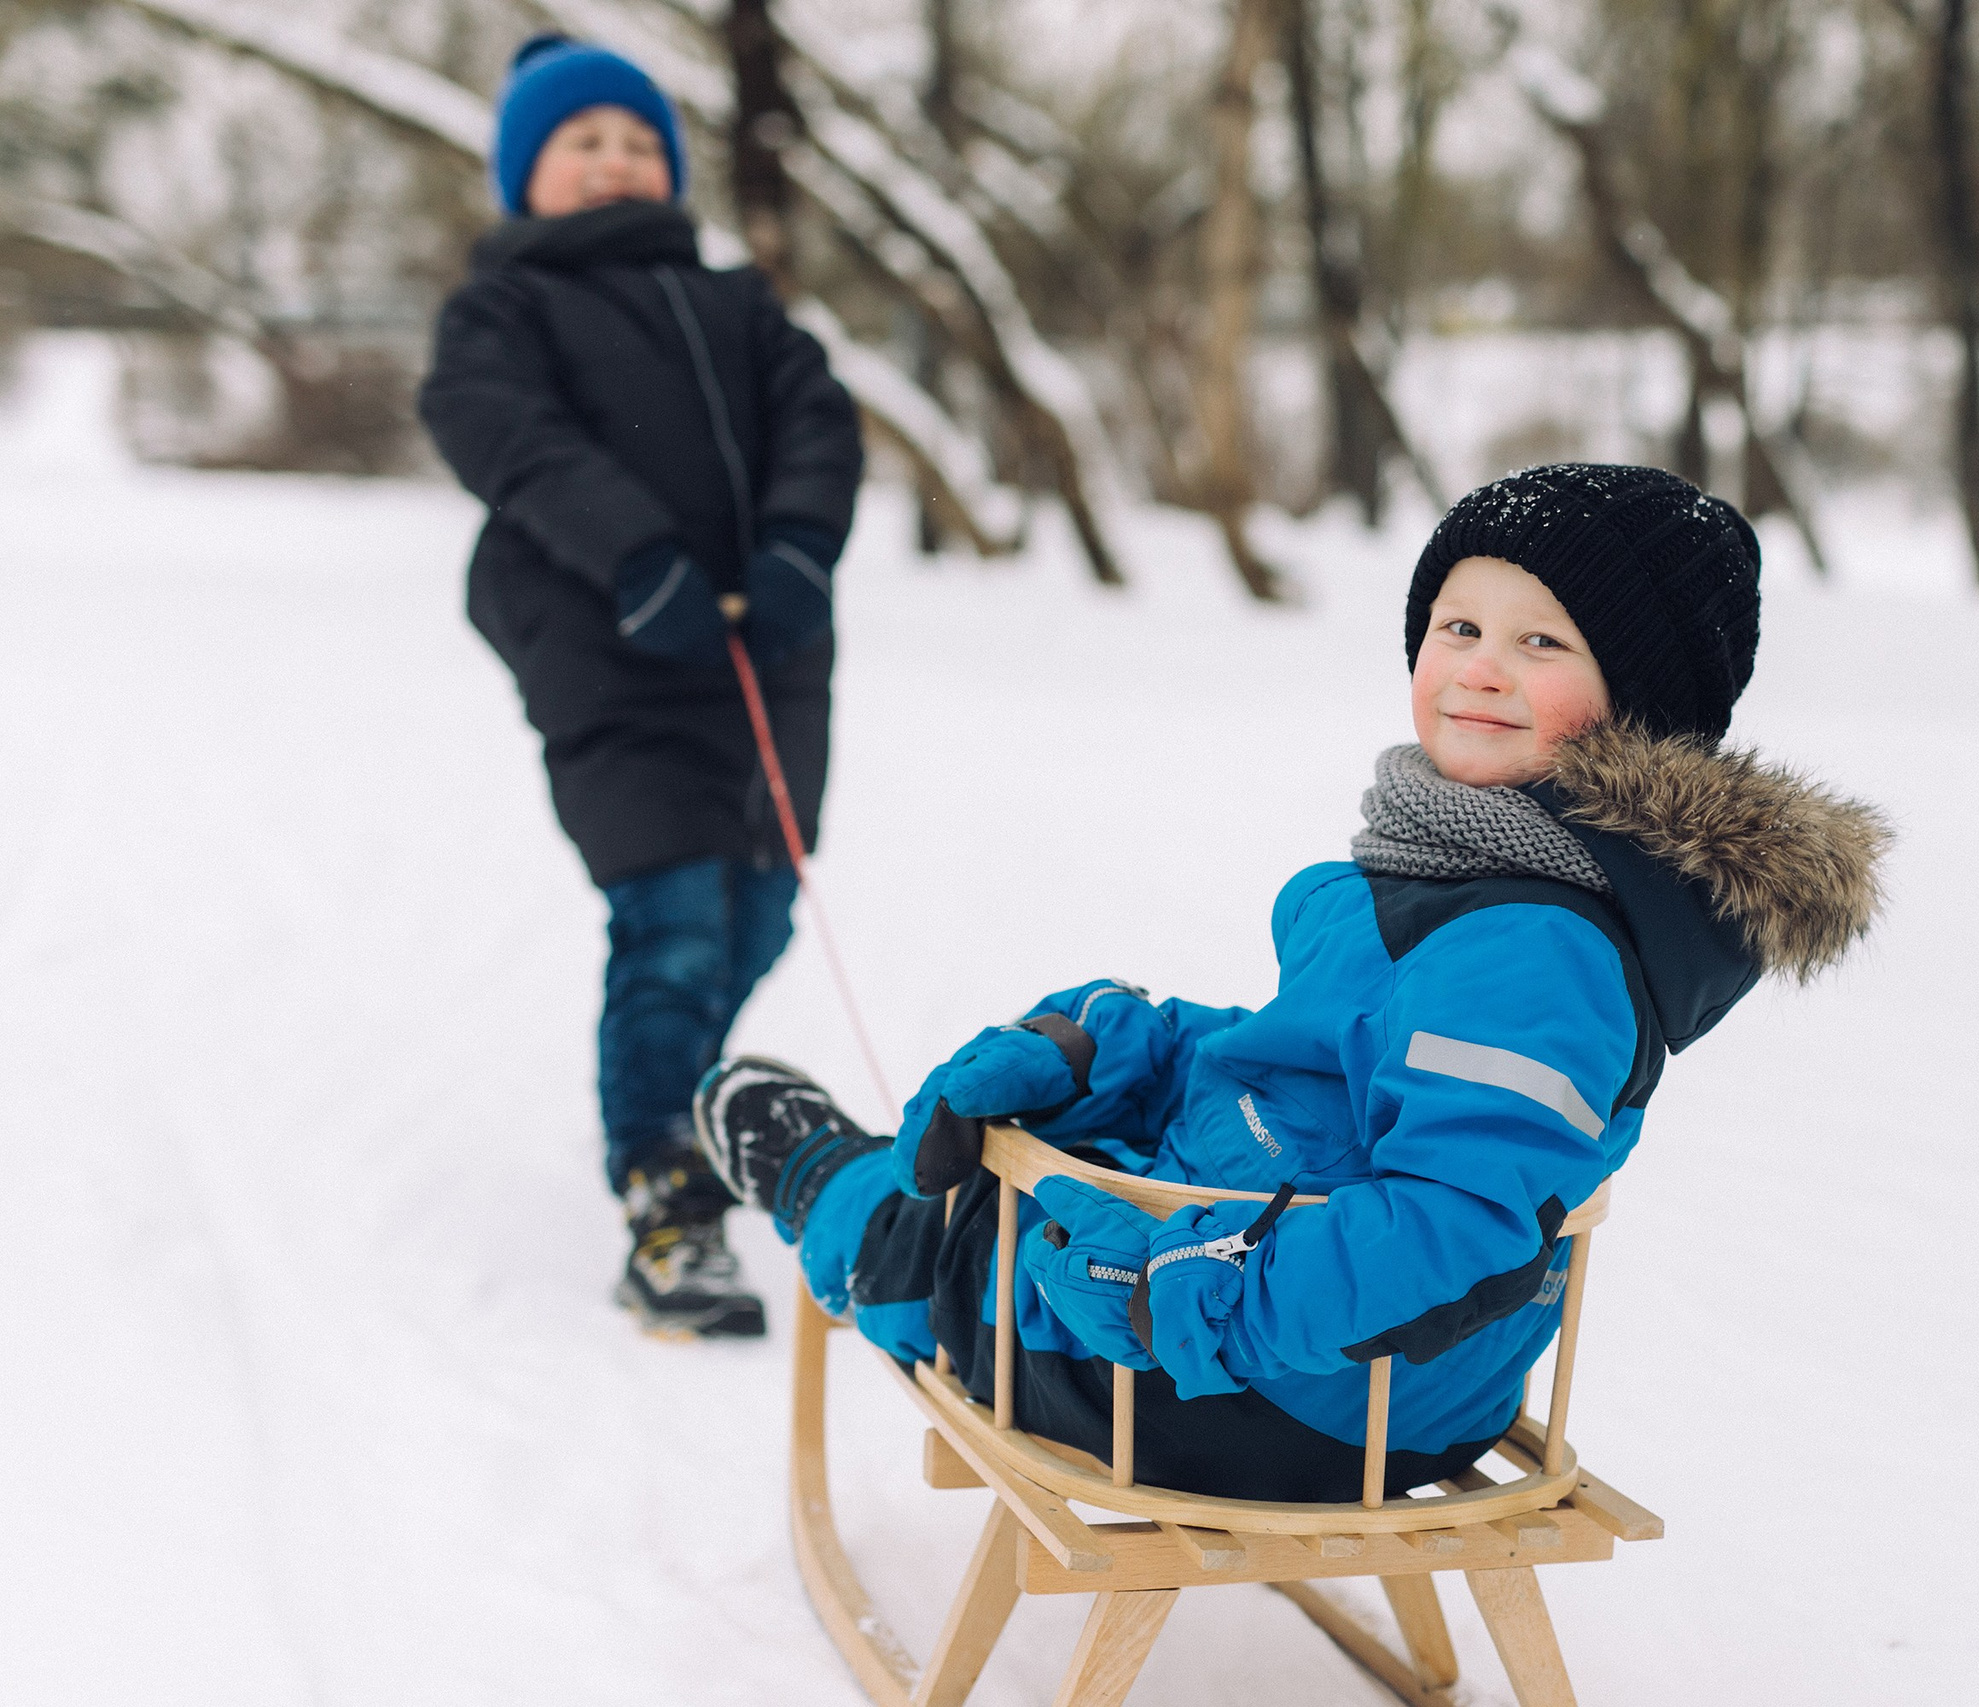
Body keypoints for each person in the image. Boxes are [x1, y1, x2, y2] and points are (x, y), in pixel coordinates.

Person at [697, 465, 1890, 1499]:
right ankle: (934, 1188)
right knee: (1051, 1163)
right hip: (1316, 1341)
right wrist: (1123, 1046)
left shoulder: (1535, 949)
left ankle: (828, 1188)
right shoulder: (1461, 865)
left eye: (1543, 643)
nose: (1481, 670)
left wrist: (1195, 1301)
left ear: (1643, 709)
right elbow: (1321, 1064)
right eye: (1458, 627)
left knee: (965, 1249)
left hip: (1294, 1392)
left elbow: (1460, 1230)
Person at [417, 36, 863, 1339]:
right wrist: (637, 554)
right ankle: (667, 1189)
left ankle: (666, 1094)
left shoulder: (737, 304)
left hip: (767, 661)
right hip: (613, 654)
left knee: (759, 911)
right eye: (583, 144)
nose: (614, 161)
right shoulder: (505, 308)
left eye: (635, 142)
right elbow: (503, 433)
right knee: (671, 922)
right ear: (526, 173)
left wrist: (797, 547)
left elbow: (820, 421)